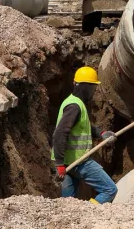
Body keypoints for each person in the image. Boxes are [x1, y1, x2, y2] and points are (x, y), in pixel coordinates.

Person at [51, 67, 118, 204]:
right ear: (84, 87)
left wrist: (102, 134)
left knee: (68, 203)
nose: (93, 92)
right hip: (78, 162)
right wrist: (59, 164)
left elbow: (84, 127)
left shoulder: (73, 102)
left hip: (67, 162)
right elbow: (60, 133)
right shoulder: (74, 106)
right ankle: (89, 214)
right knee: (110, 190)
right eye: (92, 87)